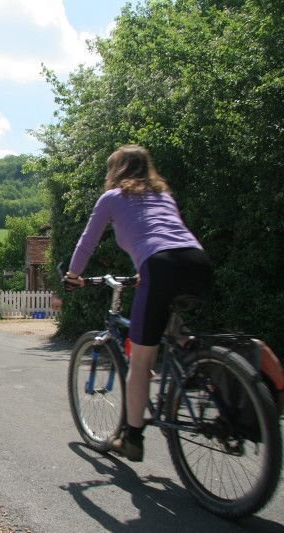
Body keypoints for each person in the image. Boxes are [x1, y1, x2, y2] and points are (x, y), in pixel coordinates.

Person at [64, 144, 212, 462]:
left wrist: (73, 275)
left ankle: (131, 439)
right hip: (197, 263)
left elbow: (87, 241)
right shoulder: (164, 196)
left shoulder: (113, 198)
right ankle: (197, 360)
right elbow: (163, 235)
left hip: (160, 267)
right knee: (172, 329)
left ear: (116, 170)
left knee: (141, 363)